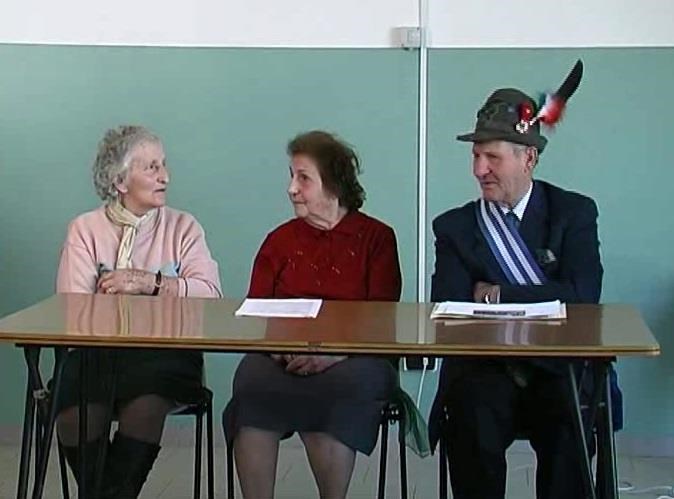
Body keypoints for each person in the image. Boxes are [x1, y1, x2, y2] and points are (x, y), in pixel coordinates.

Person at [428, 69, 617, 499]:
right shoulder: (455, 228)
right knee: (471, 414)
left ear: (528, 158)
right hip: (486, 370)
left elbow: (582, 298)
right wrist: (543, 297)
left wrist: (496, 294)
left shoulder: (573, 214)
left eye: (492, 157)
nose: (479, 169)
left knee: (570, 422)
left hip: (558, 368)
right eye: (476, 156)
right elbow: (450, 308)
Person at [223, 130, 402, 499]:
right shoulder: (279, 241)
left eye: (303, 178)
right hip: (282, 356)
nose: (291, 189)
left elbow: (382, 317)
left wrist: (334, 353)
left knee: (338, 390)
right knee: (251, 383)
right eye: (291, 176)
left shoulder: (377, 239)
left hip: (355, 357)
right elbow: (257, 311)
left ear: (333, 182)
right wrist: (280, 349)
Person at [55, 125, 221, 498]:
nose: (165, 176)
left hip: (167, 352)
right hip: (97, 353)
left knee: (146, 403)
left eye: (163, 165)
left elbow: (211, 295)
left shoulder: (184, 227)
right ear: (119, 181)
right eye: (151, 167)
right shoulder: (84, 230)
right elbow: (71, 309)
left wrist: (151, 283)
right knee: (73, 411)